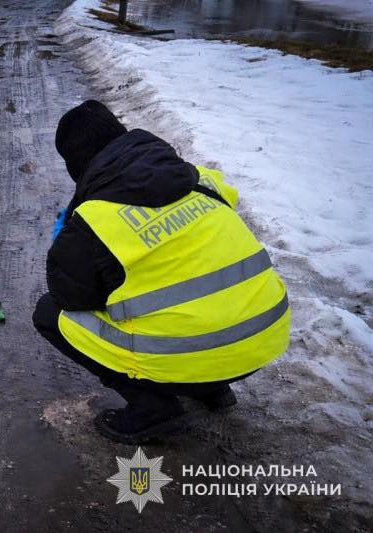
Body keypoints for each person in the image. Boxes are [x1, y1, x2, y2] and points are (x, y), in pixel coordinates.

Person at [33, 100, 291, 444]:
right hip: (264, 339)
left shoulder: (97, 219)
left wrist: (68, 244)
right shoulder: (202, 182)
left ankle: (153, 408)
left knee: (51, 314)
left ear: (77, 164)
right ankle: (212, 390)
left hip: (208, 352)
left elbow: (71, 296)